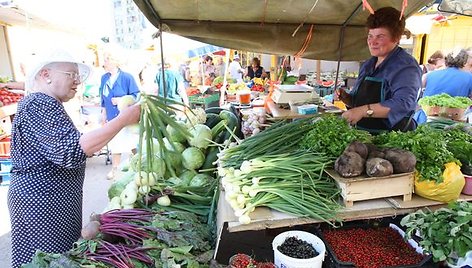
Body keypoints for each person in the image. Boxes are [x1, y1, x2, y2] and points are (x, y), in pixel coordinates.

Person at [7, 49, 140, 268]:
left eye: (78, 75)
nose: (77, 81)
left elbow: (68, 145)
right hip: (43, 203)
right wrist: (123, 119)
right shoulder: (40, 103)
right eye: (71, 74)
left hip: (51, 200)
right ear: (45, 74)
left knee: (55, 260)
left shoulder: (44, 103)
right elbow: (69, 152)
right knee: (48, 262)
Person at [337, 7, 421, 133]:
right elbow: (359, 102)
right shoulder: (368, 64)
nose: (372, 42)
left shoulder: (405, 66)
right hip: (364, 135)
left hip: (393, 138)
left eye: (380, 36)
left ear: (396, 38)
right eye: (370, 36)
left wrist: (362, 111)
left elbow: (403, 103)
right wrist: (347, 98)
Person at [99, 48, 140, 179]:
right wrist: (103, 113)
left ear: (115, 61)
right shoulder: (104, 78)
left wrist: (121, 100)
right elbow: (103, 98)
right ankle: (115, 169)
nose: (104, 62)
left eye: (107, 59)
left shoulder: (127, 77)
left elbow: (136, 96)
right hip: (112, 116)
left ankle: (139, 165)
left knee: (132, 143)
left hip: (127, 116)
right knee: (115, 143)